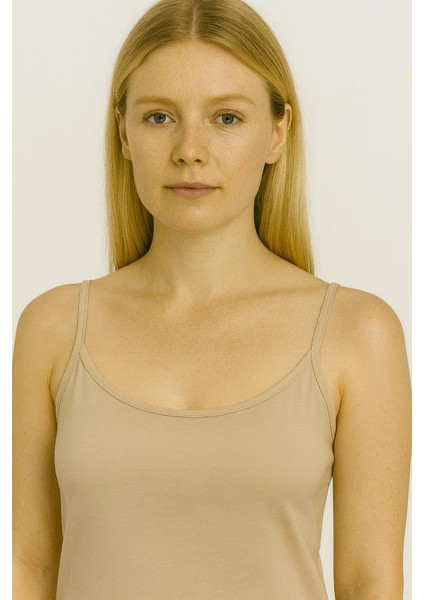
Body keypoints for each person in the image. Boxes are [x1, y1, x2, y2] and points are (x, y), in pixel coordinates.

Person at [12, 0, 411, 598]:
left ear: (278, 132)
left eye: (226, 118)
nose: (190, 150)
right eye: (159, 117)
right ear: (123, 133)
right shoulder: (53, 328)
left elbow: (368, 582)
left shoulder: (357, 333)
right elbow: (30, 566)